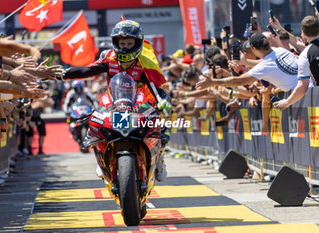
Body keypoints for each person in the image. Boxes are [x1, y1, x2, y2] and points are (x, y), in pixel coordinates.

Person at [60, 20, 171, 182]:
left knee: (161, 126)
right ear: (116, 43)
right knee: (95, 121)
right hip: (113, 101)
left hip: (140, 103)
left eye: (129, 43)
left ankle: (160, 159)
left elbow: (157, 88)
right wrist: (62, 74)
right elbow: (88, 70)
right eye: (122, 43)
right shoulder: (109, 58)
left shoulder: (145, 62)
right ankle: (100, 157)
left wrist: (164, 101)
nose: (125, 47)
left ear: (137, 43)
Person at [196, 33, 298, 133]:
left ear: (254, 49)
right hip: (303, 88)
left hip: (297, 95)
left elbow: (238, 81)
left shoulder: (264, 66)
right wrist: (246, 62)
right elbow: (263, 62)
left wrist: (213, 82)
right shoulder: (279, 51)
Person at [274, 16, 319, 110]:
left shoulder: (306, 54)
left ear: (303, 33)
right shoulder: (306, 53)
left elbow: (302, 86)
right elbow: (295, 41)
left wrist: (286, 102)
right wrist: (279, 28)